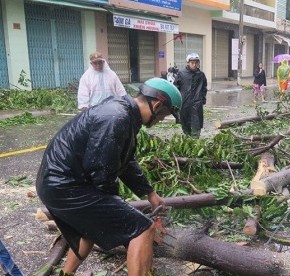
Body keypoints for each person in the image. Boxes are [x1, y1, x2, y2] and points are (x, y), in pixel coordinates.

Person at [36, 78, 182, 275]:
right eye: (164, 115)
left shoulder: (124, 113)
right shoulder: (117, 117)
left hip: (56, 184)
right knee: (143, 229)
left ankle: (66, 274)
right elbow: (102, 172)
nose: (161, 120)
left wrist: (149, 193)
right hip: (65, 186)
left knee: (90, 230)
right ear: (156, 105)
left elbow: (126, 161)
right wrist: (121, 210)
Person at [174, 53, 208, 138]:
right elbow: (175, 88)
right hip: (184, 102)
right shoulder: (181, 74)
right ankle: (188, 137)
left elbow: (204, 87)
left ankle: (195, 140)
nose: (194, 64)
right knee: (185, 123)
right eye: (192, 62)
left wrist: (202, 99)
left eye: (196, 63)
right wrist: (176, 101)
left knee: (197, 124)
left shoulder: (201, 75)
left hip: (197, 103)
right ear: (188, 63)